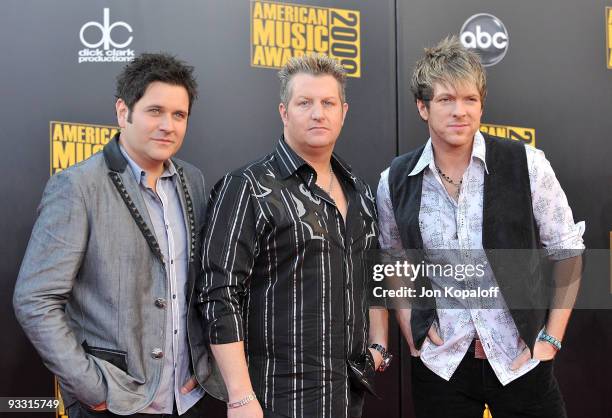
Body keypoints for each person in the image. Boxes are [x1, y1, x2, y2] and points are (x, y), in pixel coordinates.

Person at [376, 36, 584, 418]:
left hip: (521, 359)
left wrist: (551, 338)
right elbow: (393, 258)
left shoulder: (528, 164)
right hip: (442, 364)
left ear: (481, 104)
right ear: (422, 107)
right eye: (445, 100)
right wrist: (409, 326)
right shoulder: (395, 180)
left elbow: (567, 250)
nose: (460, 112)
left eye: (470, 99)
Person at [14, 53, 211, 417]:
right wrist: (91, 386)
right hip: (115, 403)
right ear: (123, 112)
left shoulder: (193, 182)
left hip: (186, 400)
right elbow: (35, 299)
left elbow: (199, 287)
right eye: (155, 111)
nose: (168, 125)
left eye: (179, 115)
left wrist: (202, 366)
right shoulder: (77, 187)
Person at [199, 53, 389, 418]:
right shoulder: (247, 187)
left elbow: (372, 273)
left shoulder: (360, 192)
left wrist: (379, 345)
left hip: (347, 397)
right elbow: (218, 293)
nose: (318, 113)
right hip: (275, 398)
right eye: (305, 103)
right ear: (284, 112)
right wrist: (239, 395)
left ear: (343, 112)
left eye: (328, 103)